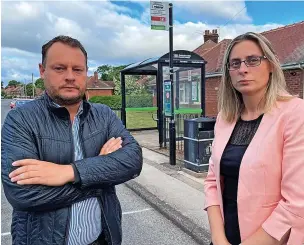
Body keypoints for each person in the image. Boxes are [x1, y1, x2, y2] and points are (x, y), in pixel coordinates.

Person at [1, 35, 143, 245]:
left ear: (85, 72)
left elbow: (133, 160)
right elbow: (23, 194)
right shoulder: (21, 119)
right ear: (42, 71)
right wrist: (99, 177)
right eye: (59, 68)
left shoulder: (103, 115)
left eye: (77, 69)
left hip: (101, 239)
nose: (70, 76)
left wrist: (68, 172)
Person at [204, 32, 304, 245]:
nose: (242, 69)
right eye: (235, 63)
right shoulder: (225, 117)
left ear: (270, 65)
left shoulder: (295, 114)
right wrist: (218, 238)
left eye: (253, 60)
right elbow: (212, 181)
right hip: (225, 236)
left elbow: (297, 203)